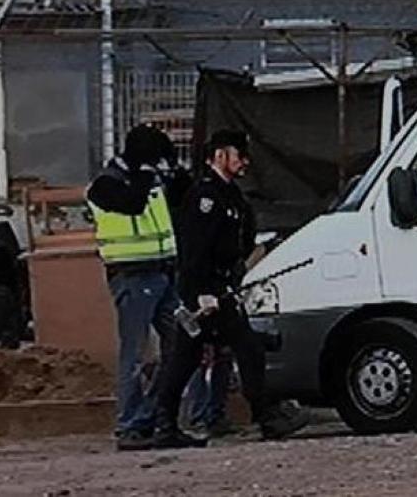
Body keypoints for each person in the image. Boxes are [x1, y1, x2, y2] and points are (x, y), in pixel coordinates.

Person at [152, 130, 307, 448]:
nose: (244, 161)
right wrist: (200, 294)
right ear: (221, 155)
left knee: (200, 354)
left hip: (222, 288)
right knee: (226, 350)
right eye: (239, 155)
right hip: (206, 292)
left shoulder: (231, 196)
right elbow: (194, 251)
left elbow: (238, 241)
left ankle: (167, 422)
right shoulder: (205, 197)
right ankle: (265, 417)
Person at [86, 124, 185, 451]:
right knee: (136, 354)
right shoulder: (104, 184)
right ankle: (129, 425)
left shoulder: (154, 179)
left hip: (164, 274)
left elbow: (179, 201)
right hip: (131, 276)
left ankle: (155, 415)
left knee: (183, 344)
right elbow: (132, 204)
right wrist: (146, 172)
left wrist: (174, 169)